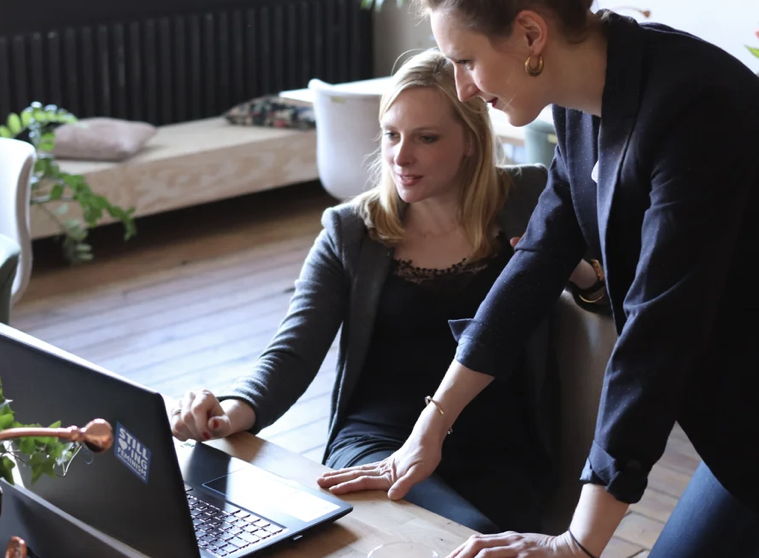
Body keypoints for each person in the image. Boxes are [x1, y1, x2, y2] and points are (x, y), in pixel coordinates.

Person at [316, 2, 759, 557]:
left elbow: (658, 332)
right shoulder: (581, 106)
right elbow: (536, 262)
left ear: (530, 33)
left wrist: (577, 544)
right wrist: (429, 429)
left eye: (466, 60)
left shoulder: (695, 104)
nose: (464, 88)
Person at [170, 49, 604, 535]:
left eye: (426, 138)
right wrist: (231, 411)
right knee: (451, 533)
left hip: (500, 452)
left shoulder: (530, 198)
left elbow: (612, 300)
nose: (401, 156)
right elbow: (292, 351)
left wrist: (579, 274)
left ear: (470, 141)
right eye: (392, 135)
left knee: (470, 533)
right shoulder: (351, 231)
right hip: (377, 444)